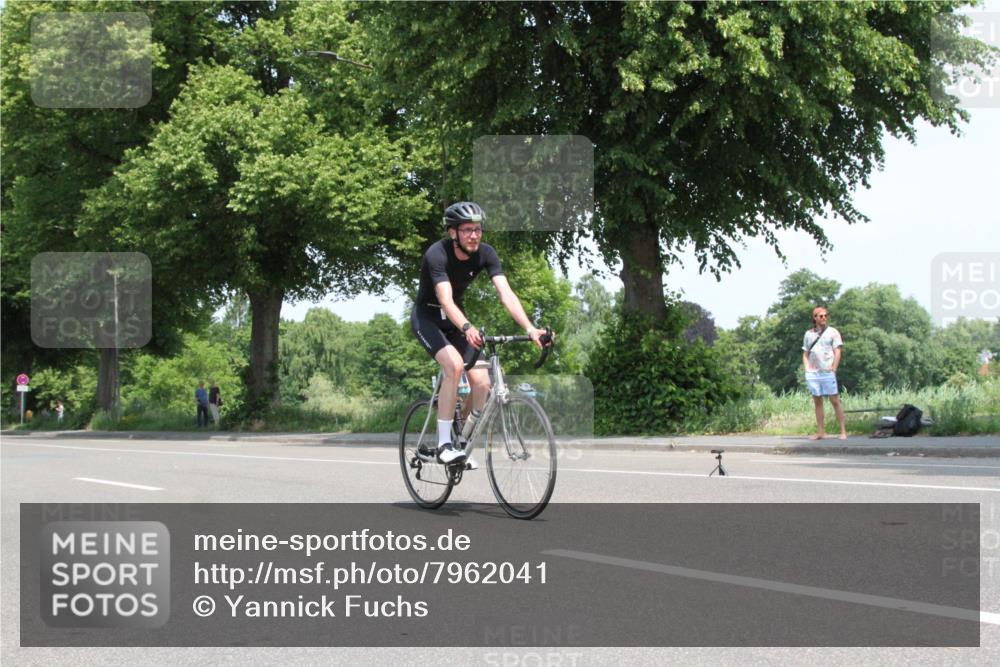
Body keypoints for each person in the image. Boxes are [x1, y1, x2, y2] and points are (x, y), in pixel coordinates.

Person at [411, 201, 552, 465]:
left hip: (455, 321)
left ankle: (460, 440)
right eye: (466, 230)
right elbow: (445, 300)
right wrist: (467, 327)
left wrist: (531, 329)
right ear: (453, 232)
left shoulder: (486, 254)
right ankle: (443, 445)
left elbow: (506, 293)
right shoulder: (436, 254)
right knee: (453, 366)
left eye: (477, 229)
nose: (474, 235)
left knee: (483, 383)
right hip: (429, 317)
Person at [802, 306, 847, 440]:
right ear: (814, 318)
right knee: (817, 401)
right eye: (821, 316)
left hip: (827, 371)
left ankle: (843, 431)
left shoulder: (833, 332)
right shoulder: (809, 334)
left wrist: (834, 368)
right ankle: (821, 432)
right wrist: (807, 369)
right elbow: (805, 353)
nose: (824, 318)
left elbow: (838, 351)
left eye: (825, 315)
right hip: (813, 372)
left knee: (834, 400)